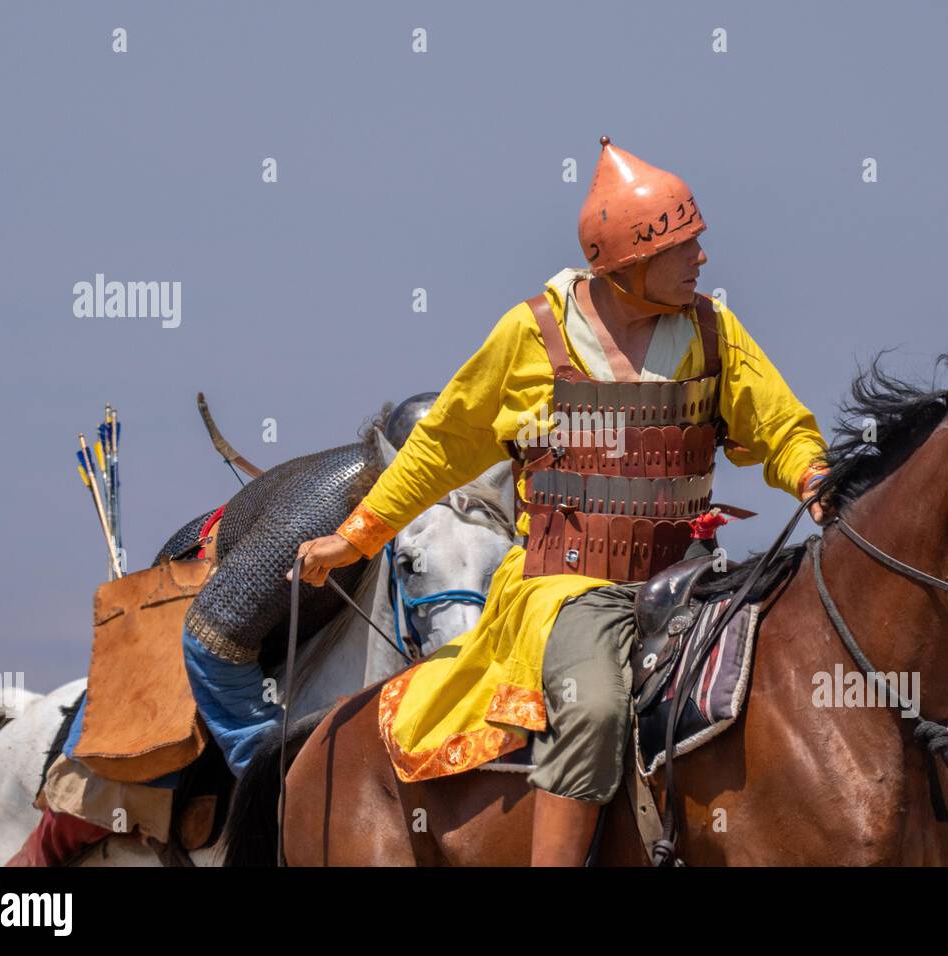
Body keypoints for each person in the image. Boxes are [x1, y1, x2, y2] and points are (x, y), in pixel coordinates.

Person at [296, 136, 830, 866]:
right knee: (598, 704)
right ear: (631, 263)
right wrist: (355, 538)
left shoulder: (714, 331)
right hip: (570, 588)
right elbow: (442, 445)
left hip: (691, 577)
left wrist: (811, 477)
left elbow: (778, 424)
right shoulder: (530, 336)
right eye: (685, 247)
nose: (702, 259)